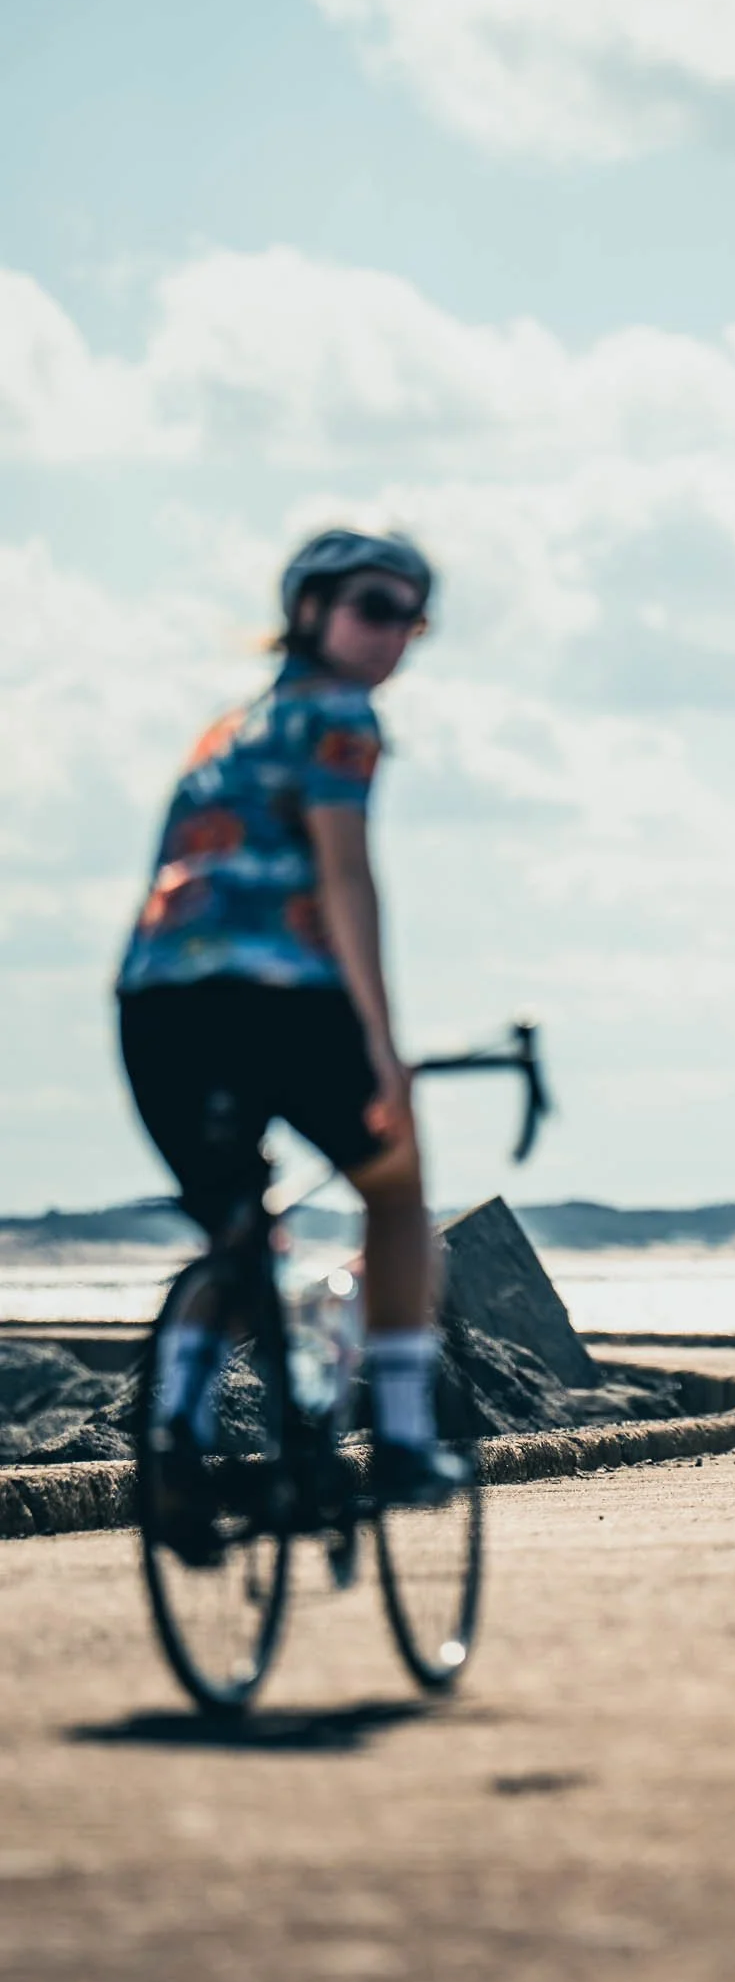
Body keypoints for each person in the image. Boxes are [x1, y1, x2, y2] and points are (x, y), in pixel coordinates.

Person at [116, 528, 463, 1514]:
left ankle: (174, 1437)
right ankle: (398, 1436)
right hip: (280, 1003)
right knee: (396, 1190)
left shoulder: (227, 730)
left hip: (156, 1011)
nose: (395, 635)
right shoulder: (340, 718)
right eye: (374, 608)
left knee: (240, 1232)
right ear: (309, 611)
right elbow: (345, 878)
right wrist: (384, 1051)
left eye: (413, 618)